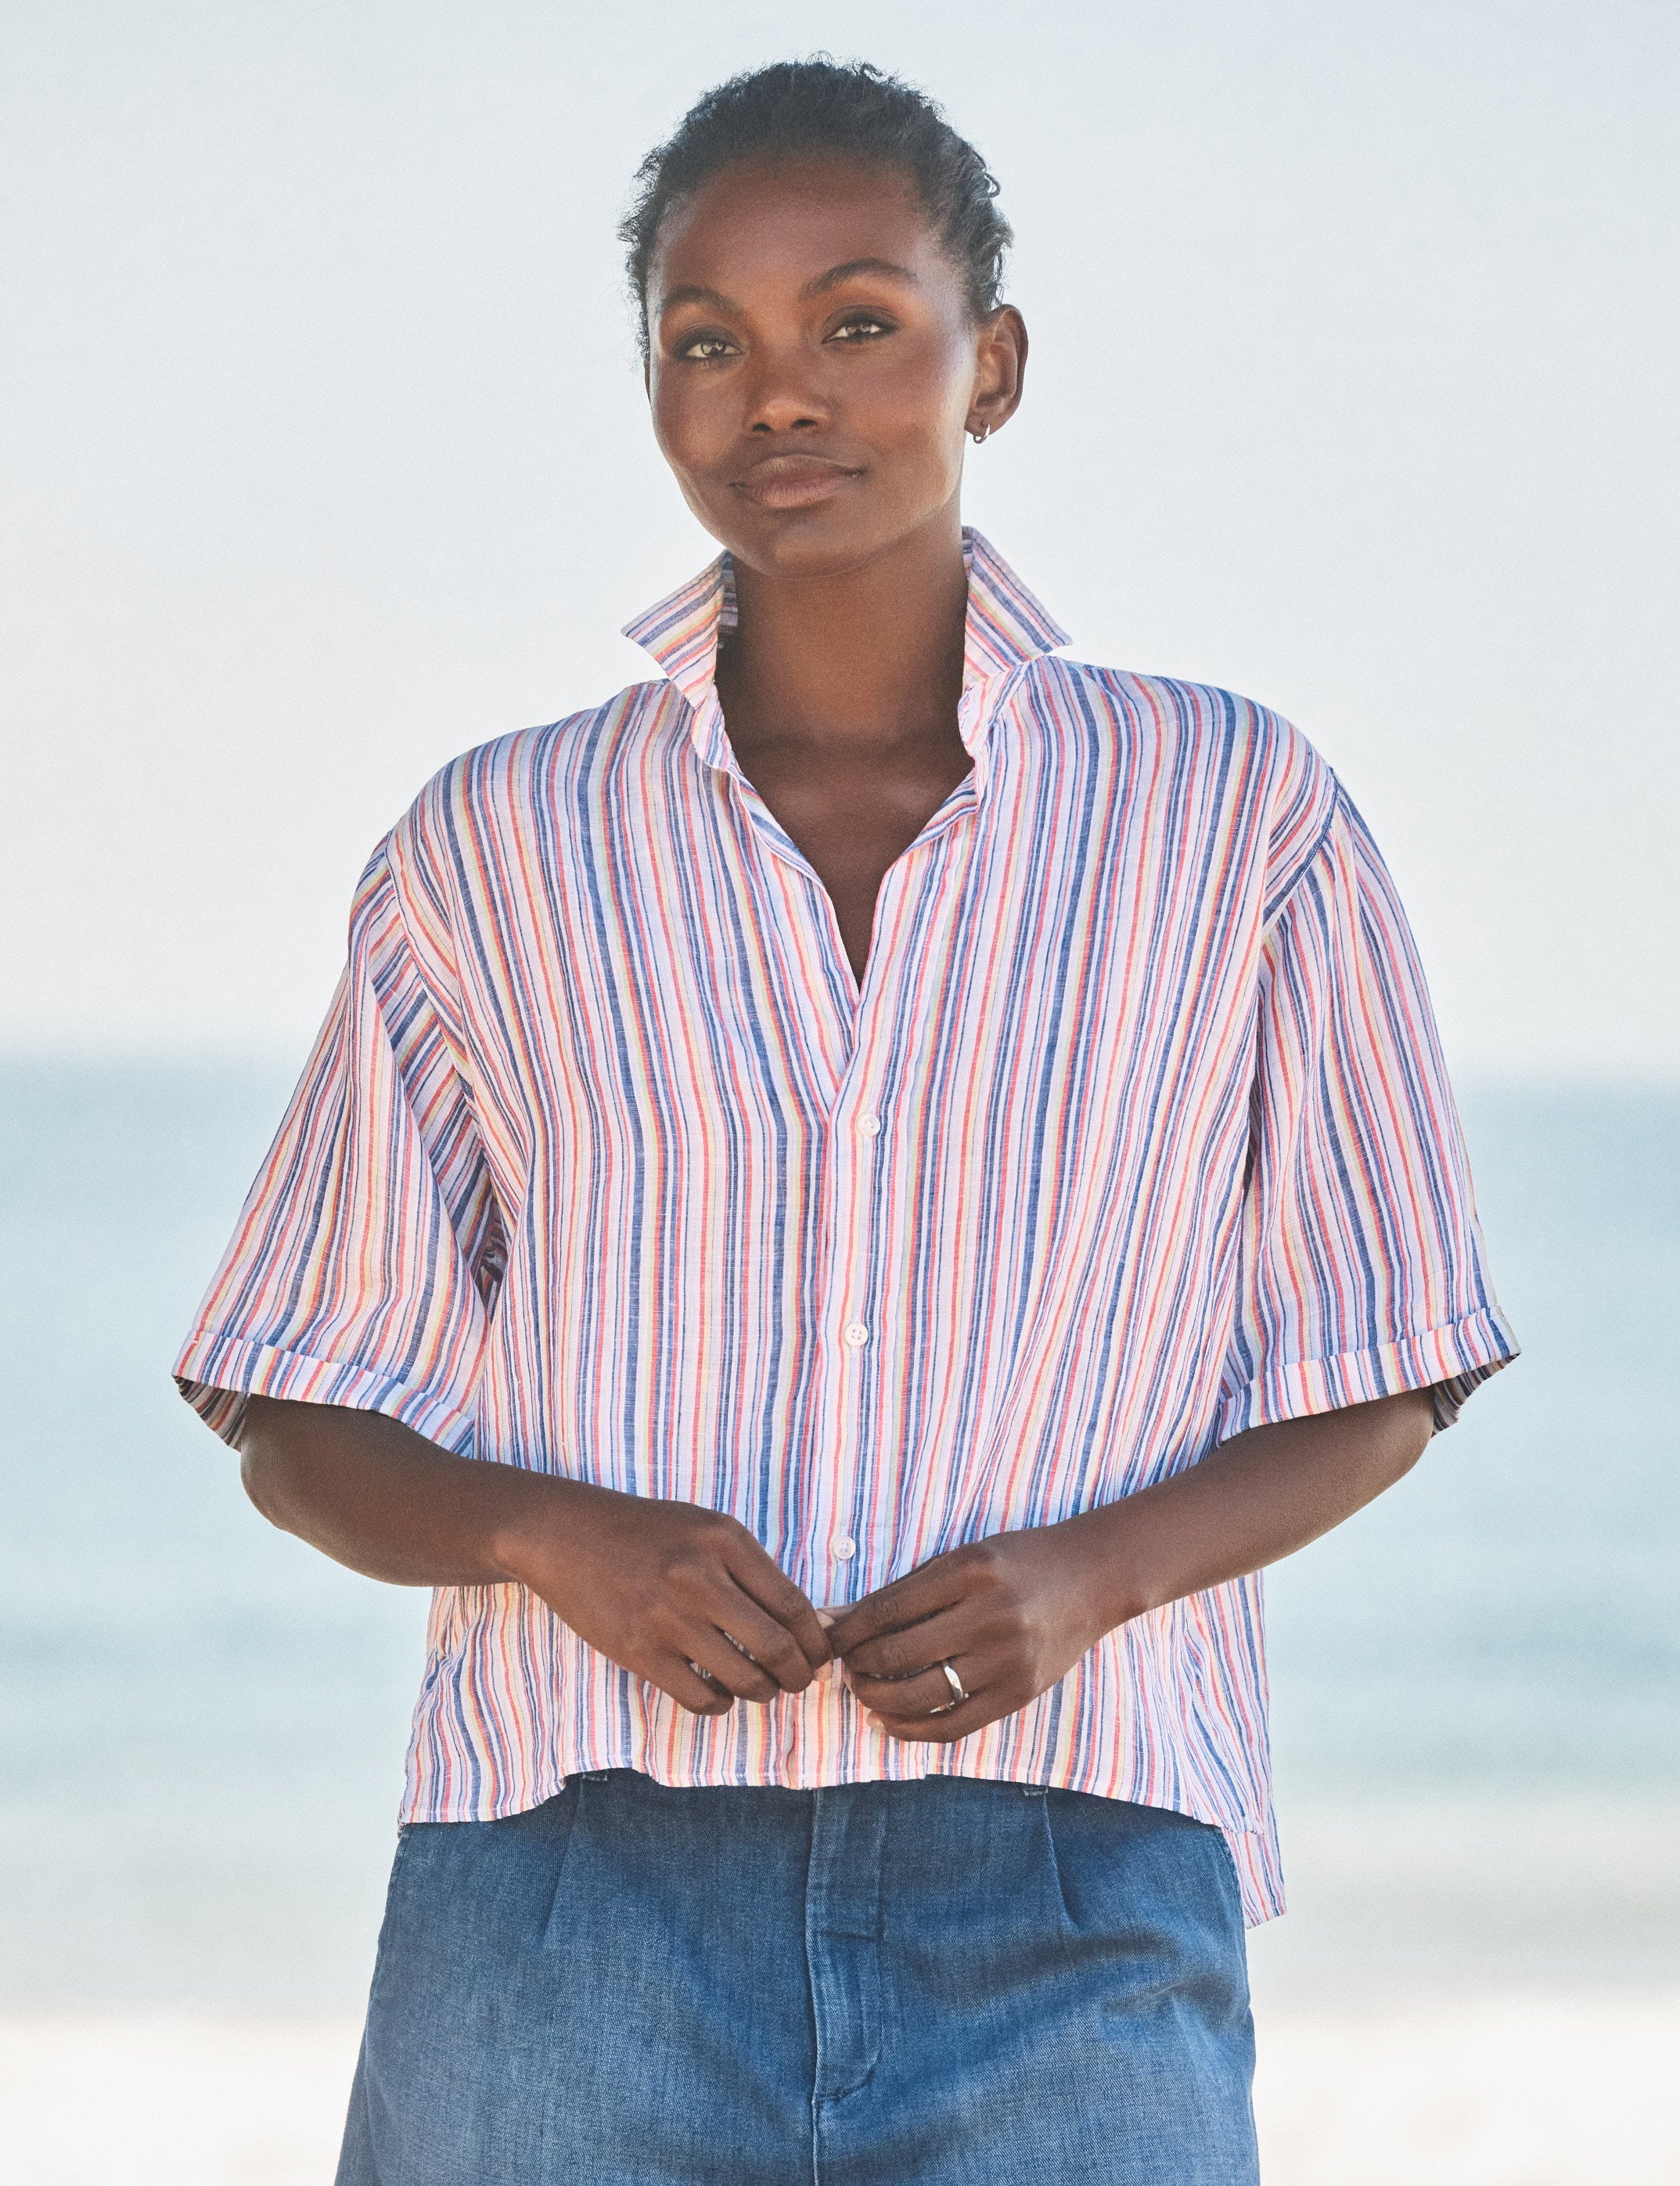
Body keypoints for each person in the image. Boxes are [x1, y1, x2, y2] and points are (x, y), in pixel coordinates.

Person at [172, 57, 1518, 2186]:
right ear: (652, 392)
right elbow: (291, 1411)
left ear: (989, 365)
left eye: (855, 322)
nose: (776, 392)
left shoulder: (1234, 815)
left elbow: (1390, 1356)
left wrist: (1085, 1577)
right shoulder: (498, 846)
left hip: (1076, 1879)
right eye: (705, 341)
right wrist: (550, 1534)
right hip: (564, 1896)